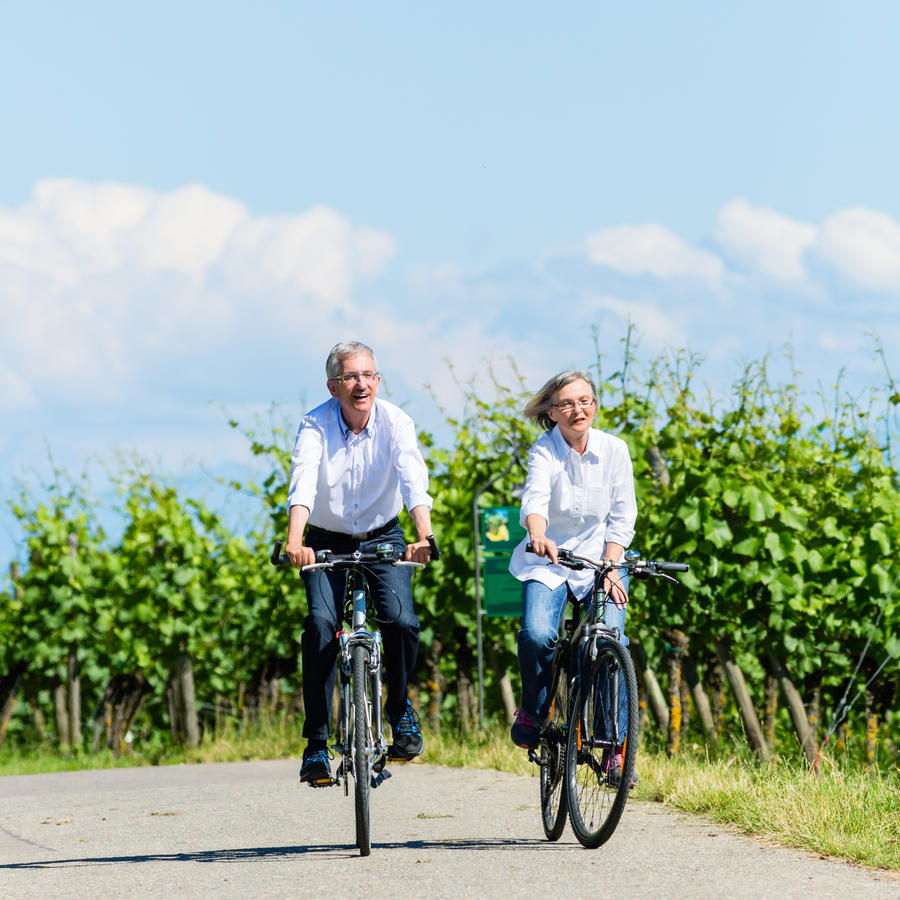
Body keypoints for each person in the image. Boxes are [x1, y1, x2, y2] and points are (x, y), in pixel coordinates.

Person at [285, 341, 437, 784]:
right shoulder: (315, 423)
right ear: (333, 386)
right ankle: (316, 743)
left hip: (384, 533)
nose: (361, 384)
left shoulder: (396, 422)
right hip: (325, 538)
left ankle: (399, 709)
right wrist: (296, 541)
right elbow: (303, 480)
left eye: (368, 375)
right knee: (319, 627)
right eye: (350, 376)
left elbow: (413, 477)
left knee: (403, 622)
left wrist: (423, 535)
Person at [507, 369, 637, 776]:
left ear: (594, 406)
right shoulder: (543, 451)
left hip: (602, 562)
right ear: (552, 411)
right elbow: (535, 497)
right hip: (550, 561)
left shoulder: (615, 450)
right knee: (538, 634)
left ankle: (614, 746)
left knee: (609, 641)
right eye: (567, 403)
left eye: (584, 401)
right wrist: (539, 535)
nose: (577, 409)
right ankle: (535, 711)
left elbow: (622, 516)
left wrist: (613, 566)